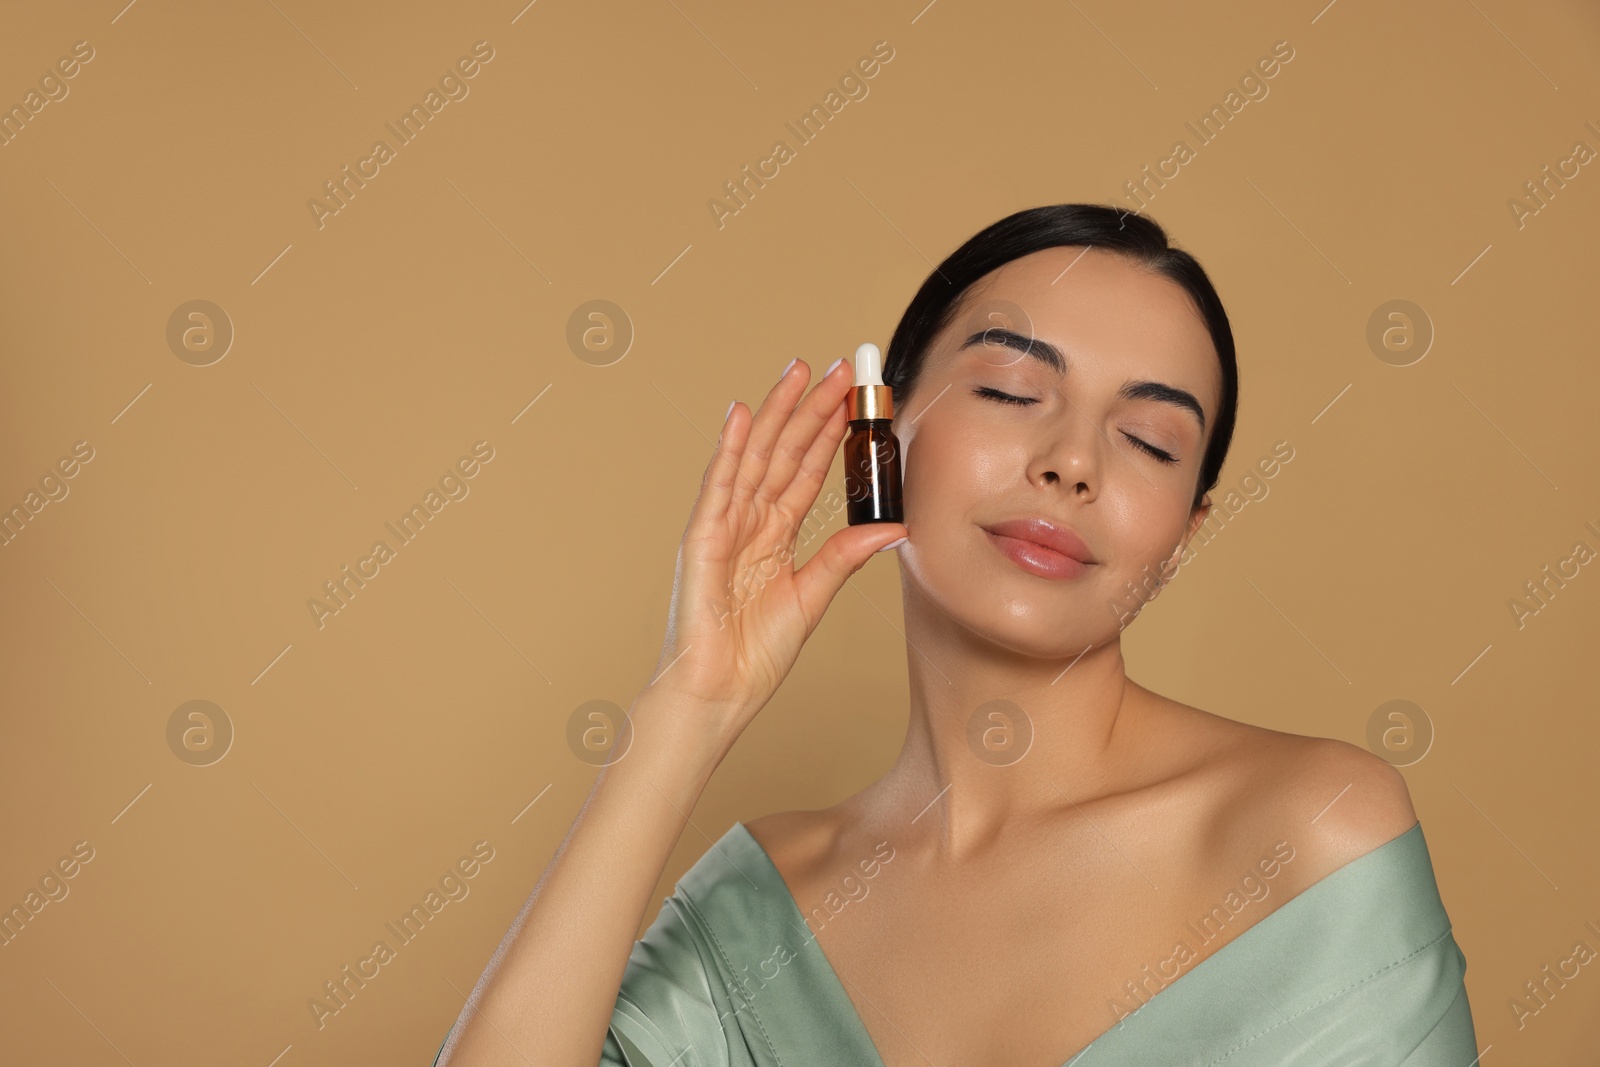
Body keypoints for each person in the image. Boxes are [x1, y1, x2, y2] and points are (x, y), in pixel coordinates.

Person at [428, 204, 1478, 1066]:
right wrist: (689, 703)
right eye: (1011, 389)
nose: (1072, 461)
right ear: (879, 444)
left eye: (1150, 440)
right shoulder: (759, 906)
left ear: (1184, 533)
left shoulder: (1310, 836)